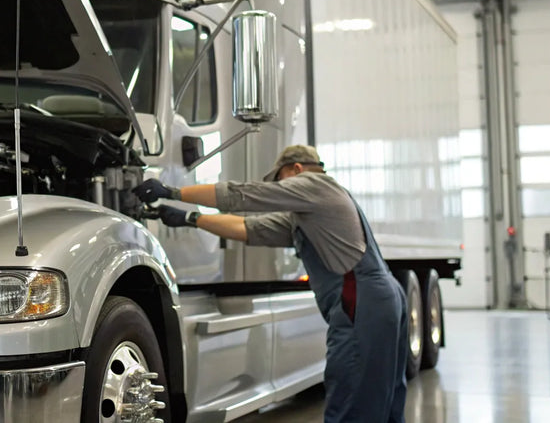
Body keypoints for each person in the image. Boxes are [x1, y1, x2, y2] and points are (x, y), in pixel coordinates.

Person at [133, 145, 407, 423]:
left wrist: (172, 192)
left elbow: (244, 195)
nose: (279, 189)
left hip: (363, 300)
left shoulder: (315, 185)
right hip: (381, 297)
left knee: (352, 396)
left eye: (280, 180)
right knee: (383, 394)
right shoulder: (311, 213)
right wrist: (190, 218)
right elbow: (247, 228)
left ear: (296, 169)